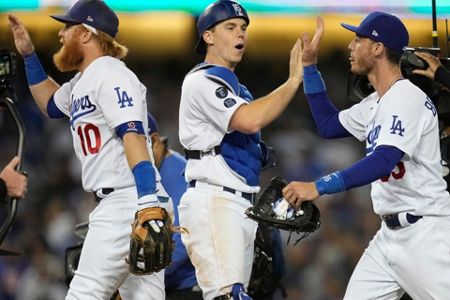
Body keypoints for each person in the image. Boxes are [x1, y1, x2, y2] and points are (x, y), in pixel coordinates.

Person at [8, 0, 173, 299]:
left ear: (86, 34)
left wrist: (147, 202)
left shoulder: (113, 74)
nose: (61, 35)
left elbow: (133, 135)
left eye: (67, 27)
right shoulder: (83, 81)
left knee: (83, 294)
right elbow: (50, 104)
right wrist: (30, 56)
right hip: (126, 201)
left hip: (128, 201)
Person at [282, 12, 450, 299]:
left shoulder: (406, 97)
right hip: (388, 238)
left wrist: (318, 187)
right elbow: (328, 125)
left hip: (425, 234)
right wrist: (310, 67)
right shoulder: (374, 102)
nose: (351, 46)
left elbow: (384, 160)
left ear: (378, 48)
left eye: (358, 39)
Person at [178, 0, 303, 299]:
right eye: (230, 27)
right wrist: (294, 80)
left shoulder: (239, 90)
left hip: (238, 204)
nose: (240, 34)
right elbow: (250, 119)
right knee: (228, 296)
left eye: (243, 28)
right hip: (214, 199)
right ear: (208, 36)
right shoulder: (201, 80)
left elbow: (240, 141)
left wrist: (259, 154)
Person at [146, 113, 201, 300]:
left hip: (189, 288)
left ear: (153, 141)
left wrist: (144, 277)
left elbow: (184, 237)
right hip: (168, 284)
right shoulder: (152, 174)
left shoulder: (179, 173)